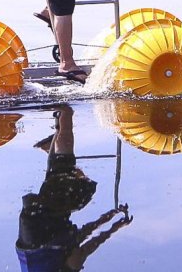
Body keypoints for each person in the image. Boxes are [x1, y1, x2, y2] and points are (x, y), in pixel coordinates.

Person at [15, 105, 132, 272]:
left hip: (42, 235)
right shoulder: (56, 260)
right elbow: (82, 236)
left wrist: (113, 227)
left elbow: (84, 250)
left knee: (78, 185)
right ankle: (53, 140)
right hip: (31, 229)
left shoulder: (64, 267)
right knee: (58, 177)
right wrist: (111, 220)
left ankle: (65, 113)